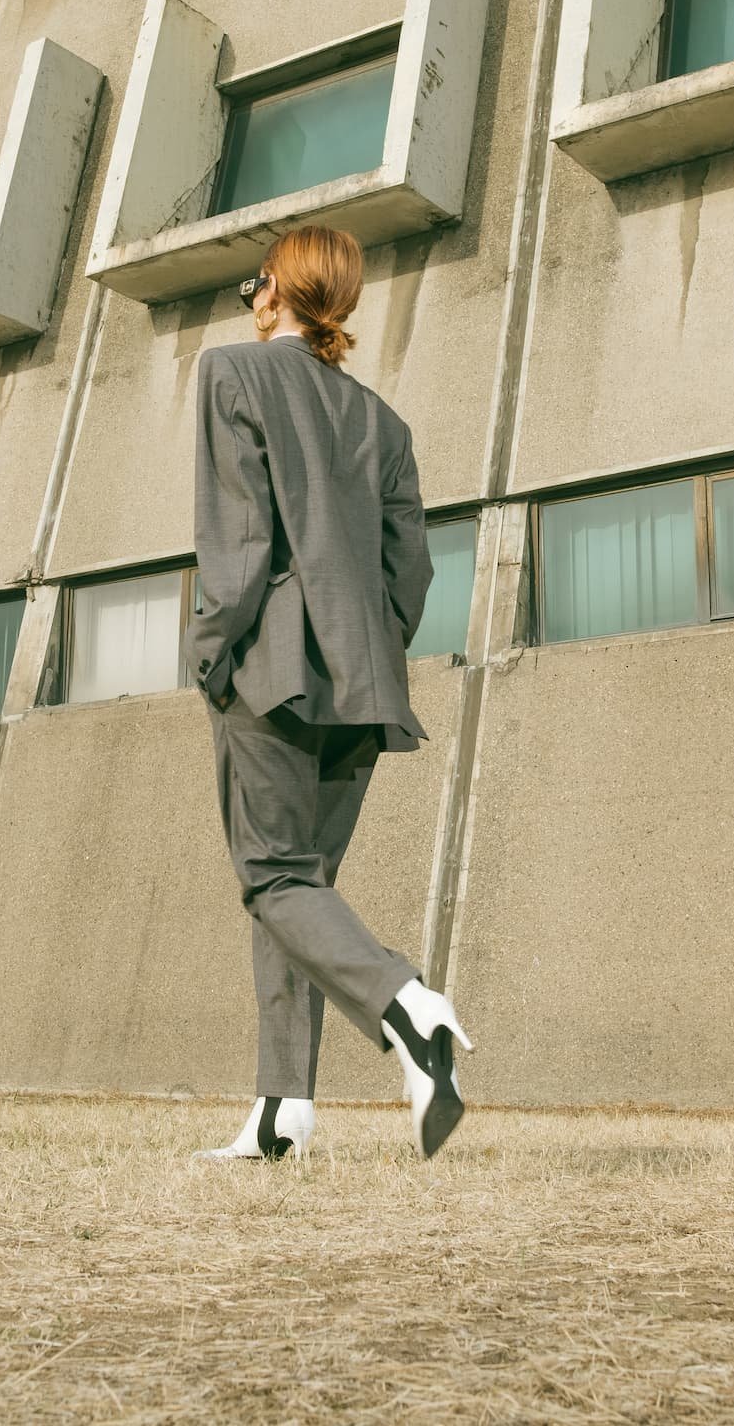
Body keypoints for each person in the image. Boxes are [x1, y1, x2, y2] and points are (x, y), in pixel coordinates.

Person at [184, 222, 474, 1164]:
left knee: (273, 878)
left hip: (270, 667)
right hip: (365, 679)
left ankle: (406, 1008)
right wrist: (371, 650)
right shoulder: (385, 424)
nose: (247, 301)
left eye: (250, 285)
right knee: (300, 889)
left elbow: (236, 543)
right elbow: (412, 575)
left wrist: (210, 654)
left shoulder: (233, 374)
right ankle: (281, 1114)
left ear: (275, 292)